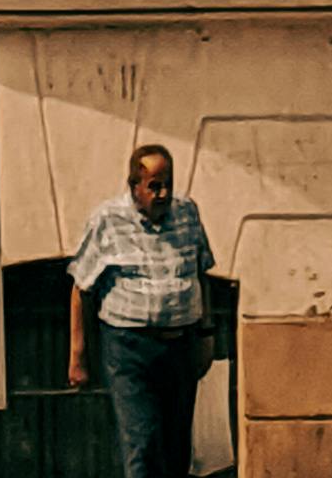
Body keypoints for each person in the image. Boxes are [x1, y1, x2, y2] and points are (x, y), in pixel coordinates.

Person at [68, 143, 217, 478]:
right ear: (134, 186)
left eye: (167, 184)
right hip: (129, 346)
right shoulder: (108, 220)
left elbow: (201, 275)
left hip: (180, 344)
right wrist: (77, 356)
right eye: (153, 186)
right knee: (143, 441)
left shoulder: (187, 213)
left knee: (177, 444)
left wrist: (206, 335)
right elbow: (81, 290)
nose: (162, 193)